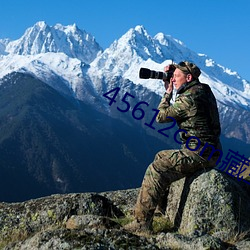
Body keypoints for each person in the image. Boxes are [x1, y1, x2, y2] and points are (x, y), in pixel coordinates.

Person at [124, 61, 222, 233]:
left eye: (177, 77)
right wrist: (175, 72)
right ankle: (161, 209)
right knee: (161, 156)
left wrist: (167, 93)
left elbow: (161, 117)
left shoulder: (188, 99)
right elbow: (185, 81)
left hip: (199, 153)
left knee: (156, 168)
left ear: (189, 78)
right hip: (210, 150)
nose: (173, 79)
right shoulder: (203, 90)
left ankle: (141, 224)